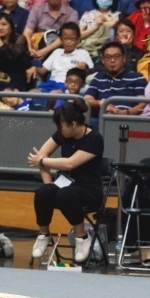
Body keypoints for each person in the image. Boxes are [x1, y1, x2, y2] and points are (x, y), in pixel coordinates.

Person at [27, 103, 105, 264]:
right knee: (43, 192)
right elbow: (42, 155)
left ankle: (82, 237)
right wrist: (48, 183)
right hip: (65, 186)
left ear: (73, 124)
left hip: (89, 190)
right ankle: (44, 235)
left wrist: (42, 160)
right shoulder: (63, 134)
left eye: (60, 125)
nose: (59, 129)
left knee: (66, 194)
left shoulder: (94, 139)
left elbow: (70, 164)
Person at [83, 41, 148, 118]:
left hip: (129, 120)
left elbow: (143, 104)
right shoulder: (98, 77)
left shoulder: (137, 77)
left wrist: (124, 113)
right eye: (108, 57)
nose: (112, 60)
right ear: (103, 60)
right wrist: (101, 103)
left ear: (124, 59)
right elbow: (87, 99)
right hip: (102, 119)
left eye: (117, 56)